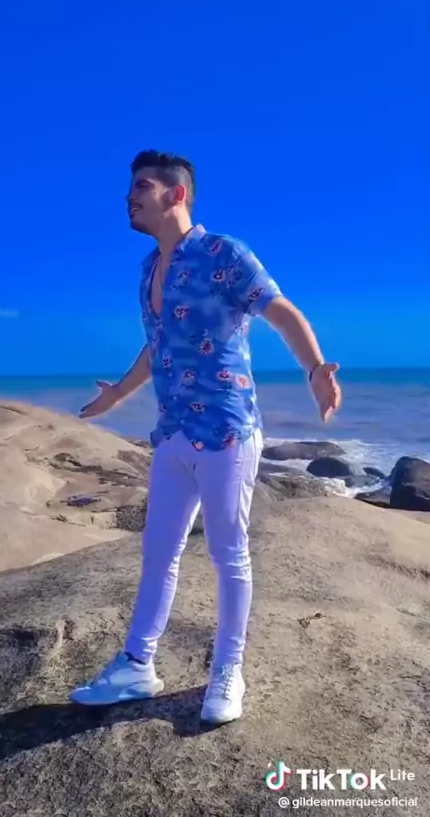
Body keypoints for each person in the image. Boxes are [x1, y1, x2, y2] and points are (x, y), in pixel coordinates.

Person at [69, 149, 341, 724]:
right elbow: (158, 345)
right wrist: (118, 395)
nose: (129, 196)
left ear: (176, 194)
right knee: (158, 553)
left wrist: (315, 369)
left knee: (228, 554)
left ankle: (228, 671)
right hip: (172, 434)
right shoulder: (149, 268)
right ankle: (137, 664)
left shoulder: (224, 253)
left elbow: (280, 311)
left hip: (227, 432)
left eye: (142, 186)